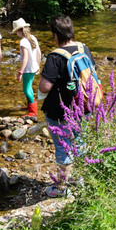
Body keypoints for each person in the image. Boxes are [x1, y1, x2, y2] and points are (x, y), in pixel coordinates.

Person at [38, 15, 95, 198]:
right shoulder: (83, 48)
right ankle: (79, 178)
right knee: (80, 142)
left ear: (55, 35)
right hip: (84, 106)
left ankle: (61, 188)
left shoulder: (55, 56)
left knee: (63, 147)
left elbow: (45, 87)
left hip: (60, 111)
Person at [12, 18, 41, 117]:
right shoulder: (33, 37)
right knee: (30, 87)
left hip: (28, 69)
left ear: (19, 31)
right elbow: (39, 53)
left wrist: (20, 72)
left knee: (26, 89)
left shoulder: (23, 41)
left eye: (16, 32)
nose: (16, 34)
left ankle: (33, 111)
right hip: (34, 67)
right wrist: (38, 66)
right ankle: (30, 104)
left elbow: (25, 58)